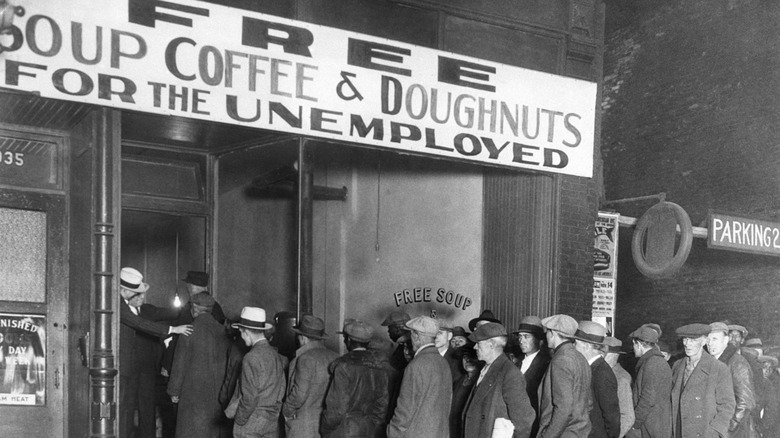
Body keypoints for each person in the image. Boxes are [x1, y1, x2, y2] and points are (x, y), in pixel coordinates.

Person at [118, 267, 193, 438]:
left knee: (147, 409)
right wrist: (174, 329)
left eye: (142, 294)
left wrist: (191, 306)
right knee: (126, 409)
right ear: (124, 291)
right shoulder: (119, 307)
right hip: (126, 369)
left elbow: (170, 312)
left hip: (146, 368)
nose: (142, 298)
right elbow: (140, 324)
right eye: (137, 294)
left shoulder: (147, 310)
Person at [166, 292, 230, 438]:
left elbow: (179, 365)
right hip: (217, 394)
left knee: (190, 431)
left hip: (192, 394)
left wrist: (173, 391)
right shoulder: (223, 331)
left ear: (194, 308)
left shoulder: (188, 331)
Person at [462, 322, 534, 438]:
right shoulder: (486, 368)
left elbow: (524, 421)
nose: (475, 347)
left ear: (491, 344)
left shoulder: (510, 373)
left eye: (478, 343)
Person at [321, 319, 390, 437]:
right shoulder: (380, 367)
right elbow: (382, 405)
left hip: (344, 430)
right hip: (369, 430)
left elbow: (337, 408)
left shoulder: (343, 366)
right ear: (368, 342)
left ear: (348, 340)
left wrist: (326, 429)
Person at [225, 307, 287, 438]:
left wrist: (240, 421)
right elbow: (281, 388)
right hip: (270, 422)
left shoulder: (251, 357)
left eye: (241, 333)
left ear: (245, 332)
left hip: (251, 423)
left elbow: (249, 397)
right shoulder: (276, 355)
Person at [387, 316, 451, 438]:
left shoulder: (416, 365)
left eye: (411, 335)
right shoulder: (443, 363)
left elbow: (404, 411)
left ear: (416, 336)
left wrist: (392, 433)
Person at [671, 323, 735, 438]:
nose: (687, 344)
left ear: (705, 341)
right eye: (685, 339)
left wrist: (714, 431)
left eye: (693, 340)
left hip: (704, 433)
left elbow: (727, 405)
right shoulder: (677, 366)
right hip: (679, 430)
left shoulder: (718, 368)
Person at [282, 315, 339, 437]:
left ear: (302, 338)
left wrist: (286, 411)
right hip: (325, 424)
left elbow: (299, 394)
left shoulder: (303, 358)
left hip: (303, 425)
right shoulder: (335, 357)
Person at [537, 314, 592, 438]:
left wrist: (547, 436)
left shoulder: (561, 360)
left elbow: (563, 408)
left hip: (563, 433)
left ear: (553, 333)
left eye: (547, 332)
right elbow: (588, 402)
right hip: (579, 432)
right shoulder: (580, 358)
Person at [708, 322, 758, 438]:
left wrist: (729, 426)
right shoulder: (712, 362)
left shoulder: (737, 363)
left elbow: (745, 402)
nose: (710, 344)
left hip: (733, 432)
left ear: (726, 340)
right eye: (708, 339)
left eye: (715, 339)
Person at [573, 321, 620, 438]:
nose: (573, 347)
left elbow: (612, 417)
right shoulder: (591, 368)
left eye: (575, 343)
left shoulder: (602, 373)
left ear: (587, 345)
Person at [627, 324, 672, 438]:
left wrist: (634, 424)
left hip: (652, 427)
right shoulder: (652, 361)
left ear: (639, 344)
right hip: (652, 423)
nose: (633, 349)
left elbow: (647, 399)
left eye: (633, 344)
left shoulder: (652, 363)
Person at [512, 315, 551, 437]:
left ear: (540, 340)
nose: (521, 340)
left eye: (526, 337)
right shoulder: (517, 363)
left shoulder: (546, 365)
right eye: (519, 336)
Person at [603, 337, 634, 438]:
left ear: (612, 356)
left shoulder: (621, 378)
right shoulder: (605, 374)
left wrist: (615, 436)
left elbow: (627, 417)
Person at [450, 346, 481, 438]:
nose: (468, 361)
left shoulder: (480, 382)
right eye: (465, 357)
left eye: (471, 357)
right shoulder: (459, 381)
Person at [756, 355, 780, 438]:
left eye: (770, 368)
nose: (767, 371)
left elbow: (772, 409)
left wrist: (762, 428)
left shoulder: (771, 384)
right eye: (764, 367)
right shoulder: (762, 383)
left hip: (771, 429)